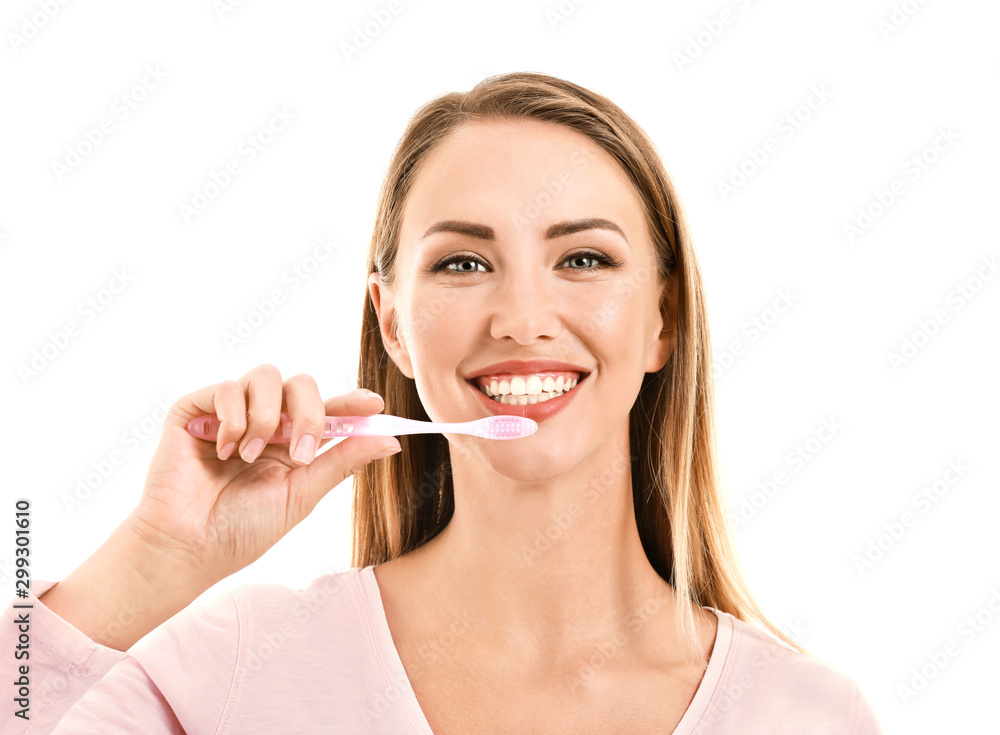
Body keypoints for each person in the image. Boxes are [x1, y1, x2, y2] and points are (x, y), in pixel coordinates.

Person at [2, 72, 883, 734]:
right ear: (391, 324)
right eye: (464, 262)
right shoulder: (238, 667)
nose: (522, 318)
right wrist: (155, 560)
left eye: (584, 259)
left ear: (664, 319)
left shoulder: (808, 715)